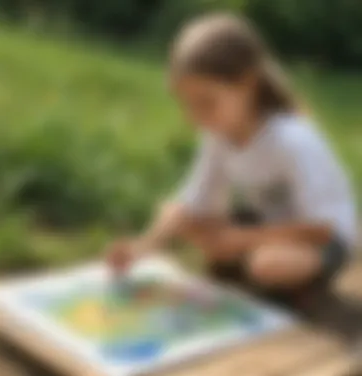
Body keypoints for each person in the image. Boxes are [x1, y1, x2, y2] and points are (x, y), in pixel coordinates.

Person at [106, 13, 356, 308]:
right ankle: (243, 265)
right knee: (173, 212)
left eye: (207, 103)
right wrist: (142, 247)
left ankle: (283, 279)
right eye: (189, 105)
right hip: (263, 226)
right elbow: (194, 198)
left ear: (248, 83)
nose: (196, 118)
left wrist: (239, 240)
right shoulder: (219, 135)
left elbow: (325, 227)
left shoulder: (293, 139)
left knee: (268, 264)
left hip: (322, 240)